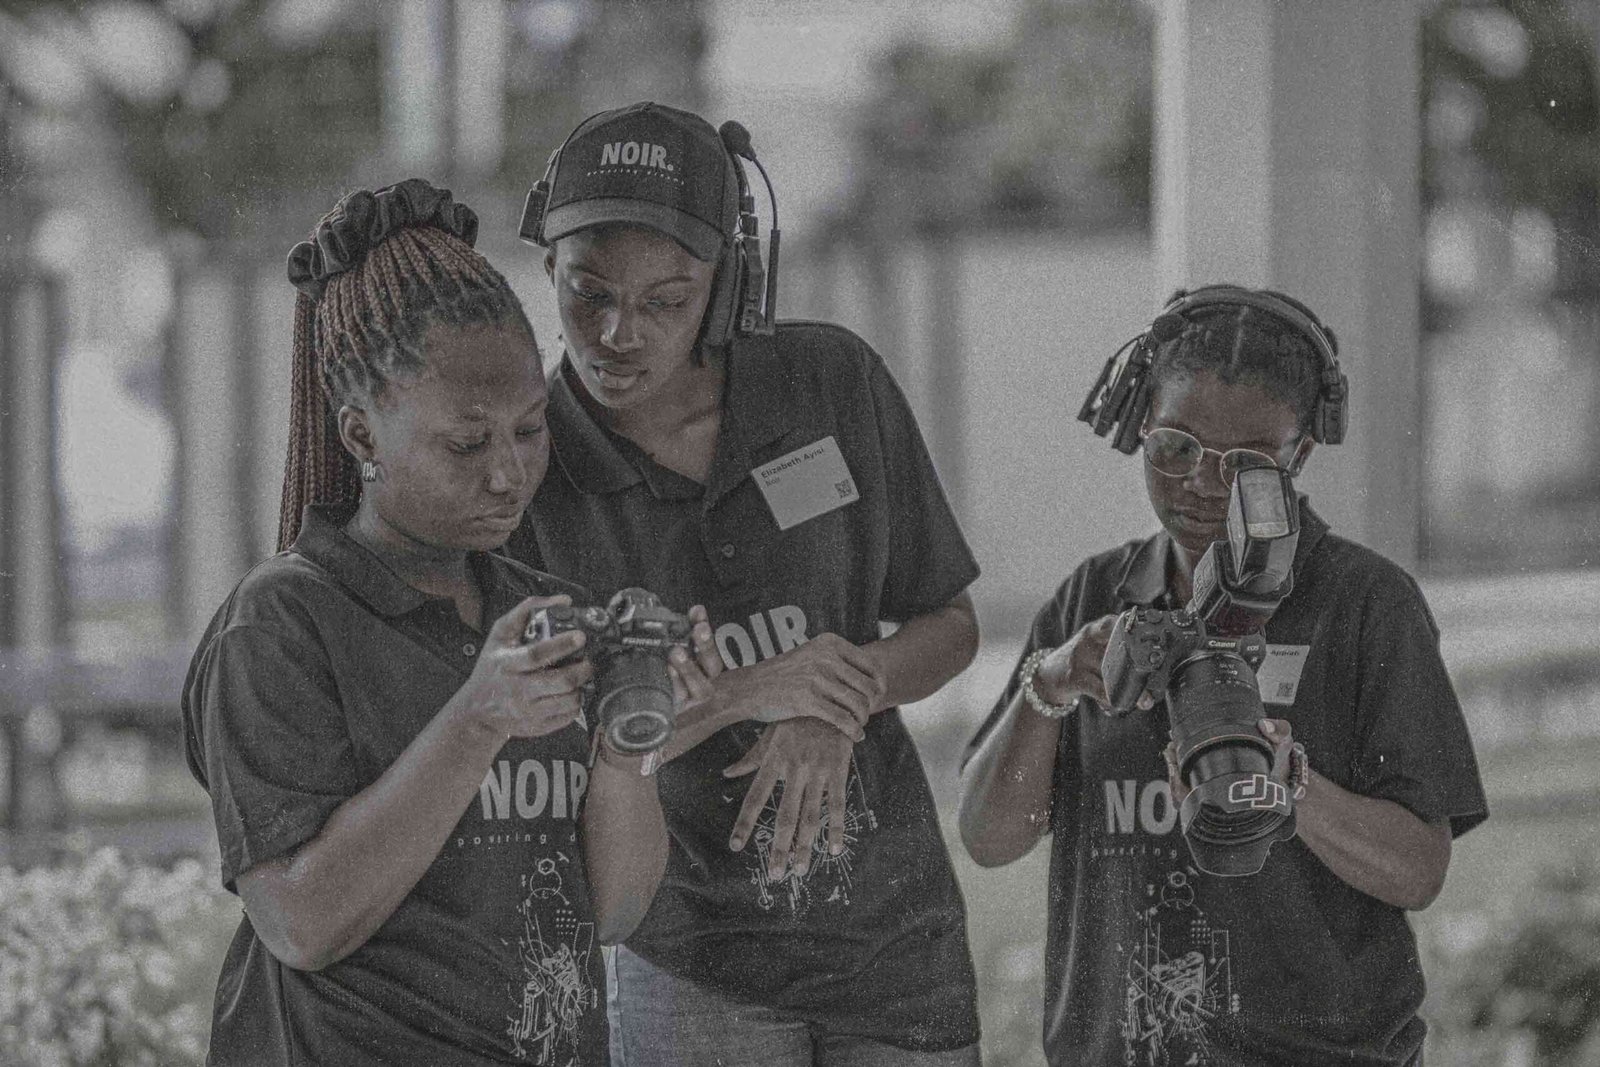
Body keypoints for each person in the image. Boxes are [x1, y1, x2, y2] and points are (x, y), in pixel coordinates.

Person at [181, 179, 720, 1066]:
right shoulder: (280, 623)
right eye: (467, 442)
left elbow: (613, 912)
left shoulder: (539, 613)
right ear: (361, 436)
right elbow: (301, 921)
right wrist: (477, 719)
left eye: (530, 429)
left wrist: (629, 751)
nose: (508, 474)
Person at [506, 102, 984, 1065]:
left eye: (666, 301)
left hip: (892, 937)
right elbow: (558, 752)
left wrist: (837, 697)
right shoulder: (527, 466)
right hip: (688, 952)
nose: (618, 333)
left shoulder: (830, 380)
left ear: (728, 284)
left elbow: (950, 622)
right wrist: (748, 691)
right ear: (548, 268)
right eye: (587, 292)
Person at [957, 285, 1489, 1067]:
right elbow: (988, 837)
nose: (1203, 483)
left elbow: (1419, 869)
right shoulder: (1091, 598)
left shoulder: (1365, 603)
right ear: (1138, 426)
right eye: (1176, 447)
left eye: (1246, 464)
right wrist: (1052, 682)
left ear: (1299, 456)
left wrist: (1288, 786)